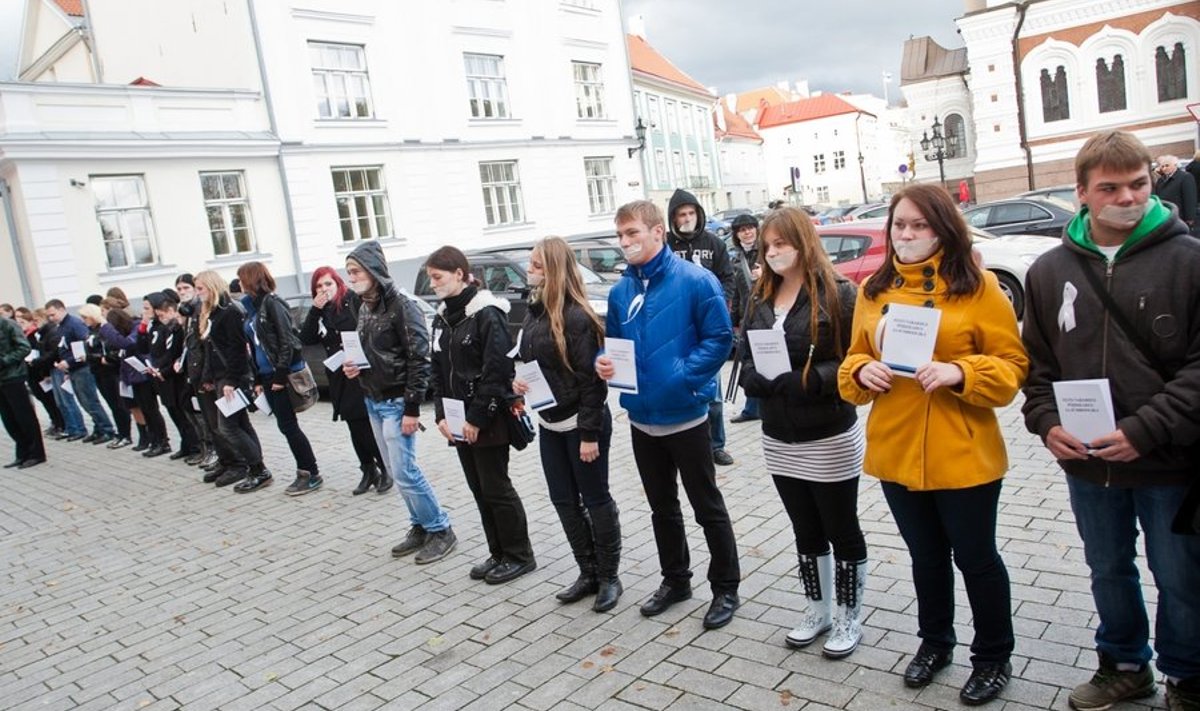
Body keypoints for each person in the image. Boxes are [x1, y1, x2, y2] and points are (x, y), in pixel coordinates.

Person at [1021, 131, 1200, 711]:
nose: (1129, 198)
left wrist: (1145, 430)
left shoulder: (1190, 260)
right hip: (1088, 462)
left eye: (1139, 185)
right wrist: (1047, 425)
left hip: (1170, 459)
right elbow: (1037, 368)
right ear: (1082, 194)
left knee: (1181, 577)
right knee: (1107, 569)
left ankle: (1188, 675)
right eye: (1111, 188)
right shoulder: (1048, 271)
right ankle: (1123, 665)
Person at [837, 183, 1028, 705]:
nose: (908, 233)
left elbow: (1013, 369)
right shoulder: (875, 291)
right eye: (900, 224)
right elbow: (851, 363)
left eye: (920, 225)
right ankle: (934, 643)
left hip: (962, 451)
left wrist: (960, 371)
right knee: (925, 556)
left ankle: (992, 656)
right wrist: (863, 370)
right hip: (897, 449)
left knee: (976, 557)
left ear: (943, 228)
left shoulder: (980, 287)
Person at [596, 200, 741, 630]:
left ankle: (726, 587)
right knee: (662, 508)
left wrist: (683, 376)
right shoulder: (622, 291)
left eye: (633, 233)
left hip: (687, 415)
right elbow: (615, 345)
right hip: (643, 417)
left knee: (706, 506)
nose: (625, 243)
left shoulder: (697, 280)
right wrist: (603, 363)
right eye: (620, 236)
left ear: (658, 232)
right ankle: (676, 580)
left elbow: (719, 339)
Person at [739, 207, 865, 658]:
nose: (772, 254)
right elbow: (746, 351)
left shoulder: (838, 293)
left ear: (802, 242)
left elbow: (855, 360)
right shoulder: (760, 297)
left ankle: (850, 615)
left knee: (841, 527)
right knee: (804, 527)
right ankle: (818, 608)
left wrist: (810, 378)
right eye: (767, 247)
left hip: (827, 433)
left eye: (781, 244)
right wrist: (753, 379)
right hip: (779, 434)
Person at [514, 237, 622, 611]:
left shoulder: (578, 316)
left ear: (554, 270)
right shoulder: (534, 312)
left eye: (537, 264)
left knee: (595, 500)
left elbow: (594, 381)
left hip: (582, 424)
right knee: (563, 500)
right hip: (550, 421)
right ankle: (587, 571)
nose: (530, 270)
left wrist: (589, 433)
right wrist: (520, 382)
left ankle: (610, 576)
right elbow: (535, 362)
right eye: (531, 263)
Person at [426, 246, 535, 583]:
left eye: (437, 277)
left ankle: (519, 555)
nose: (432, 284)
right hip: (458, 419)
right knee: (478, 488)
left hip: (487, 416)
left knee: (496, 487)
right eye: (430, 278)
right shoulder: (443, 316)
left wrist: (476, 418)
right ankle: (497, 552)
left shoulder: (488, 313)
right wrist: (442, 415)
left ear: (459, 273)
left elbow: (497, 371)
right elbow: (438, 370)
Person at [344, 241, 456, 564]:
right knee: (394, 469)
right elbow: (373, 352)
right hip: (372, 399)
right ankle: (419, 526)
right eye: (349, 273)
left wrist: (411, 408)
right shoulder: (364, 305)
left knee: (405, 470)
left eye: (355, 271)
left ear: (373, 269)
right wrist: (356, 366)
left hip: (396, 402)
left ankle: (441, 528)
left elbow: (419, 359)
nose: (351, 278)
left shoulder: (403, 305)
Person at [299, 265, 389, 496]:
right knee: (352, 423)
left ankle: (384, 468)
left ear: (338, 284)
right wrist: (315, 310)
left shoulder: (351, 301)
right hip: (338, 373)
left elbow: (367, 329)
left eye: (328, 284)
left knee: (363, 422)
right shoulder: (321, 310)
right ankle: (368, 469)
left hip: (358, 371)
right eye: (319, 286)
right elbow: (306, 338)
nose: (324, 289)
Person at [237, 261, 322, 496]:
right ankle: (306, 471)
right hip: (266, 376)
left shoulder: (273, 303)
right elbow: (254, 348)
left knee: (289, 426)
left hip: (279, 375)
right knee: (284, 426)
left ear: (252, 279)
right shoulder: (252, 308)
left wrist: (280, 376)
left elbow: (289, 341)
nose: (239, 284)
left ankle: (310, 472)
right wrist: (256, 379)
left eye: (242, 279)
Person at [666, 188, 736, 466]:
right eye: (681, 214)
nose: (686, 218)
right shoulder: (667, 246)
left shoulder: (714, 244)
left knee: (713, 391)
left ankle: (716, 444)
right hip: (675, 330)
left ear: (699, 213)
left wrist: (722, 308)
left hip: (706, 327)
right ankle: (685, 444)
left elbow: (728, 279)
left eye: (691, 213)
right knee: (678, 384)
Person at [195, 271, 268, 491]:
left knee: (227, 427)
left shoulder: (229, 312)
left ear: (212, 286)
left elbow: (237, 349)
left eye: (201, 288)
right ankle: (256, 467)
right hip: (220, 377)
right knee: (240, 423)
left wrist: (231, 380)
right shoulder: (213, 313)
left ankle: (258, 468)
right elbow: (211, 348)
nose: (198, 294)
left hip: (231, 377)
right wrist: (209, 377)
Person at [45, 299, 116, 444]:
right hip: (73, 369)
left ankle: (107, 429)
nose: (51, 318)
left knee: (90, 401)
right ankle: (98, 428)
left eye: (53, 314)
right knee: (84, 401)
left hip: (82, 368)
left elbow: (85, 345)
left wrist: (69, 361)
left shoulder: (74, 324)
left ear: (61, 309)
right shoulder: (61, 326)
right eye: (49, 316)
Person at [176, 274, 216, 468]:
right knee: (201, 414)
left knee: (213, 418)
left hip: (204, 373)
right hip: (193, 372)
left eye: (186, 288)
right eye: (179, 289)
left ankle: (218, 452)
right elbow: (189, 345)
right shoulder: (188, 313)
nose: (183, 292)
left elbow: (204, 345)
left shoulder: (200, 310)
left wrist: (204, 375)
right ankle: (209, 449)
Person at [79, 304, 131, 448]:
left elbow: (112, 351)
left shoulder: (104, 330)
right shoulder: (90, 331)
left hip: (110, 372)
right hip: (98, 371)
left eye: (85, 317)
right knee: (113, 405)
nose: (84, 321)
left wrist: (99, 358)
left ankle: (125, 434)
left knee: (118, 405)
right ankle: (121, 434)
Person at [729, 212, 763, 424]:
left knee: (767, 361)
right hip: (747, 317)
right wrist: (733, 319)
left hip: (767, 316)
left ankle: (766, 405)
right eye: (742, 230)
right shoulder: (737, 258)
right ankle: (752, 408)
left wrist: (765, 275)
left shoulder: (766, 252)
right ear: (736, 235)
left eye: (750, 227)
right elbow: (737, 293)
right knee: (748, 362)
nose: (747, 232)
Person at [0, 311, 45, 469]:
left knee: (24, 416)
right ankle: (22, 452)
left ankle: (36, 453)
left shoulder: (7, 324)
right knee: (8, 419)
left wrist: (4, 361)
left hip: (13, 376)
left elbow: (24, 347)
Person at [15, 308, 65, 439]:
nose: (20, 325)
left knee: (51, 399)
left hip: (40, 371)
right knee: (43, 399)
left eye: (22, 322)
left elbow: (43, 351)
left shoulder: (35, 335)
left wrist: (43, 370)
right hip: (31, 372)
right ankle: (55, 422)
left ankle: (60, 423)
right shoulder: (25, 335)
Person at [1152, 154, 1197, 234]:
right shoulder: (1161, 180)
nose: (1164, 168)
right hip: (1168, 216)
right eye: (1162, 166)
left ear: (1175, 165)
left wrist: (1190, 218)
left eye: (1167, 166)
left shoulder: (1185, 177)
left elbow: (1190, 198)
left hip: (1181, 216)